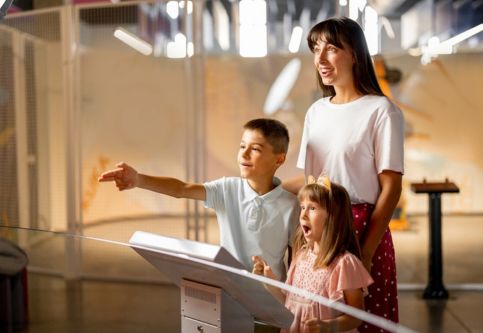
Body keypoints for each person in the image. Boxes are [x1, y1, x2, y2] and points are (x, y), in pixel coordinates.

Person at [283, 17, 404, 331]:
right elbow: (312, 182)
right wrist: (264, 189)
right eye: (316, 49)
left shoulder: (381, 110)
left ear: (355, 54)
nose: (320, 59)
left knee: (364, 322)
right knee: (314, 317)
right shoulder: (316, 111)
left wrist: (365, 251)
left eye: (332, 48)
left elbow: (391, 188)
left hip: (362, 228)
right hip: (320, 228)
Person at [98, 118, 299, 281]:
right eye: (242, 146)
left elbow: (297, 261)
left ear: (279, 160)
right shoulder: (227, 189)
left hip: (270, 301)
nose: (244, 154)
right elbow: (181, 189)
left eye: (255, 149)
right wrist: (138, 179)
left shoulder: (291, 206)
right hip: (229, 293)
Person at [253, 176, 373, 333]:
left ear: (333, 217)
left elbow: (356, 316)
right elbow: (290, 305)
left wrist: (329, 326)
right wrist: (267, 281)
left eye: (312, 208)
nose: (303, 215)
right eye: (302, 207)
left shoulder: (345, 264)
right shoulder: (301, 257)